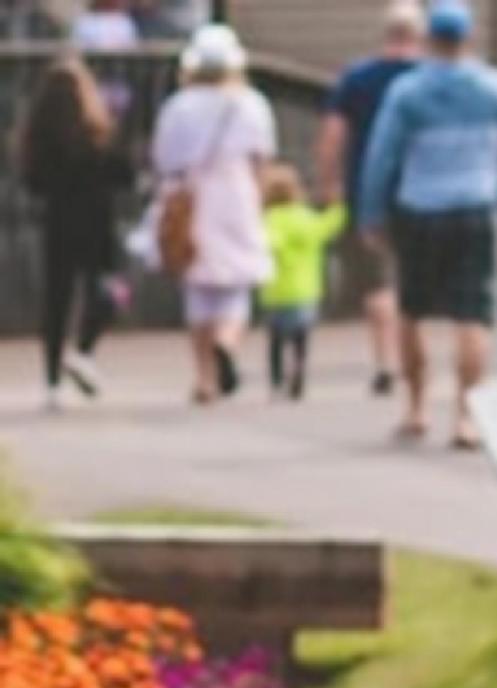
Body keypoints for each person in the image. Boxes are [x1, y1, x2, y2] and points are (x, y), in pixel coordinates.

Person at [358, 0, 497, 449]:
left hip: (420, 207)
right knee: (472, 313)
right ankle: (466, 416)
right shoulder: (495, 87)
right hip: (473, 206)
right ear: (468, 37)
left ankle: (416, 408)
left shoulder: (409, 91)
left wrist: (372, 212)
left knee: (412, 310)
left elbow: (382, 155)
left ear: (430, 39)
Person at [150, 23, 277, 406]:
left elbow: (163, 158)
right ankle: (227, 341)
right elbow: (263, 159)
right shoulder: (251, 103)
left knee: (198, 286)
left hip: (193, 195)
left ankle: (204, 376)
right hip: (236, 191)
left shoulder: (178, 107)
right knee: (234, 288)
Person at [316, 1, 425, 397]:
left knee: (377, 284)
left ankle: (386, 362)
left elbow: (333, 134)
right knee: (415, 281)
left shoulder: (358, 78)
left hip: (366, 191)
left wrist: (329, 183)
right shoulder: (427, 78)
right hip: (423, 194)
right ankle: (416, 365)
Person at [17, 56, 131, 410]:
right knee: (109, 289)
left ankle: (52, 382)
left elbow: (32, 183)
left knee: (56, 302)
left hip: (57, 222)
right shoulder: (98, 131)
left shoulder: (38, 136)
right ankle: (83, 350)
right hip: (97, 221)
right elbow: (123, 174)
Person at [259, 165, 345, 400]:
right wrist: (338, 206)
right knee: (300, 338)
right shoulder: (306, 218)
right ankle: (299, 372)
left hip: (275, 291)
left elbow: (268, 244)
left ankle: (277, 381)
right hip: (306, 290)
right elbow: (329, 226)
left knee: (276, 340)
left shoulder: (270, 220)